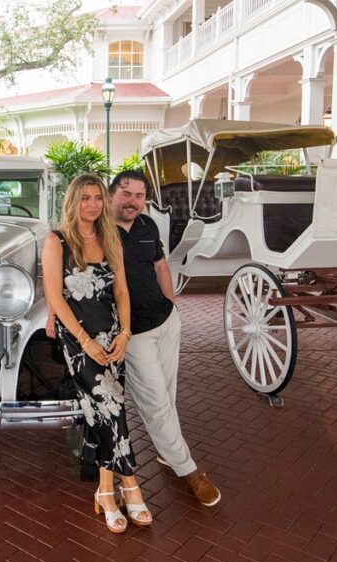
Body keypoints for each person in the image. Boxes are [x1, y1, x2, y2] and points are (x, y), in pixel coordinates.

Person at [42, 173, 152, 534]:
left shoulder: (109, 238)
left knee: (103, 409)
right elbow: (56, 298)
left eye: (97, 198)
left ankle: (106, 491)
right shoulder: (56, 241)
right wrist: (86, 341)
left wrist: (125, 332)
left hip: (111, 335)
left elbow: (121, 291)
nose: (92, 204)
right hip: (77, 338)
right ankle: (131, 485)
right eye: (85, 198)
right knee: (112, 403)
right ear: (72, 202)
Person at [109, 170, 221, 507]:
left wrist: (171, 303)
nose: (133, 201)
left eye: (140, 196)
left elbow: (160, 265)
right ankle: (189, 471)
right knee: (155, 401)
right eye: (126, 194)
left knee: (167, 394)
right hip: (135, 332)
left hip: (166, 321)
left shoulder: (147, 226)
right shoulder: (99, 232)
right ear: (112, 193)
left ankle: (166, 452)